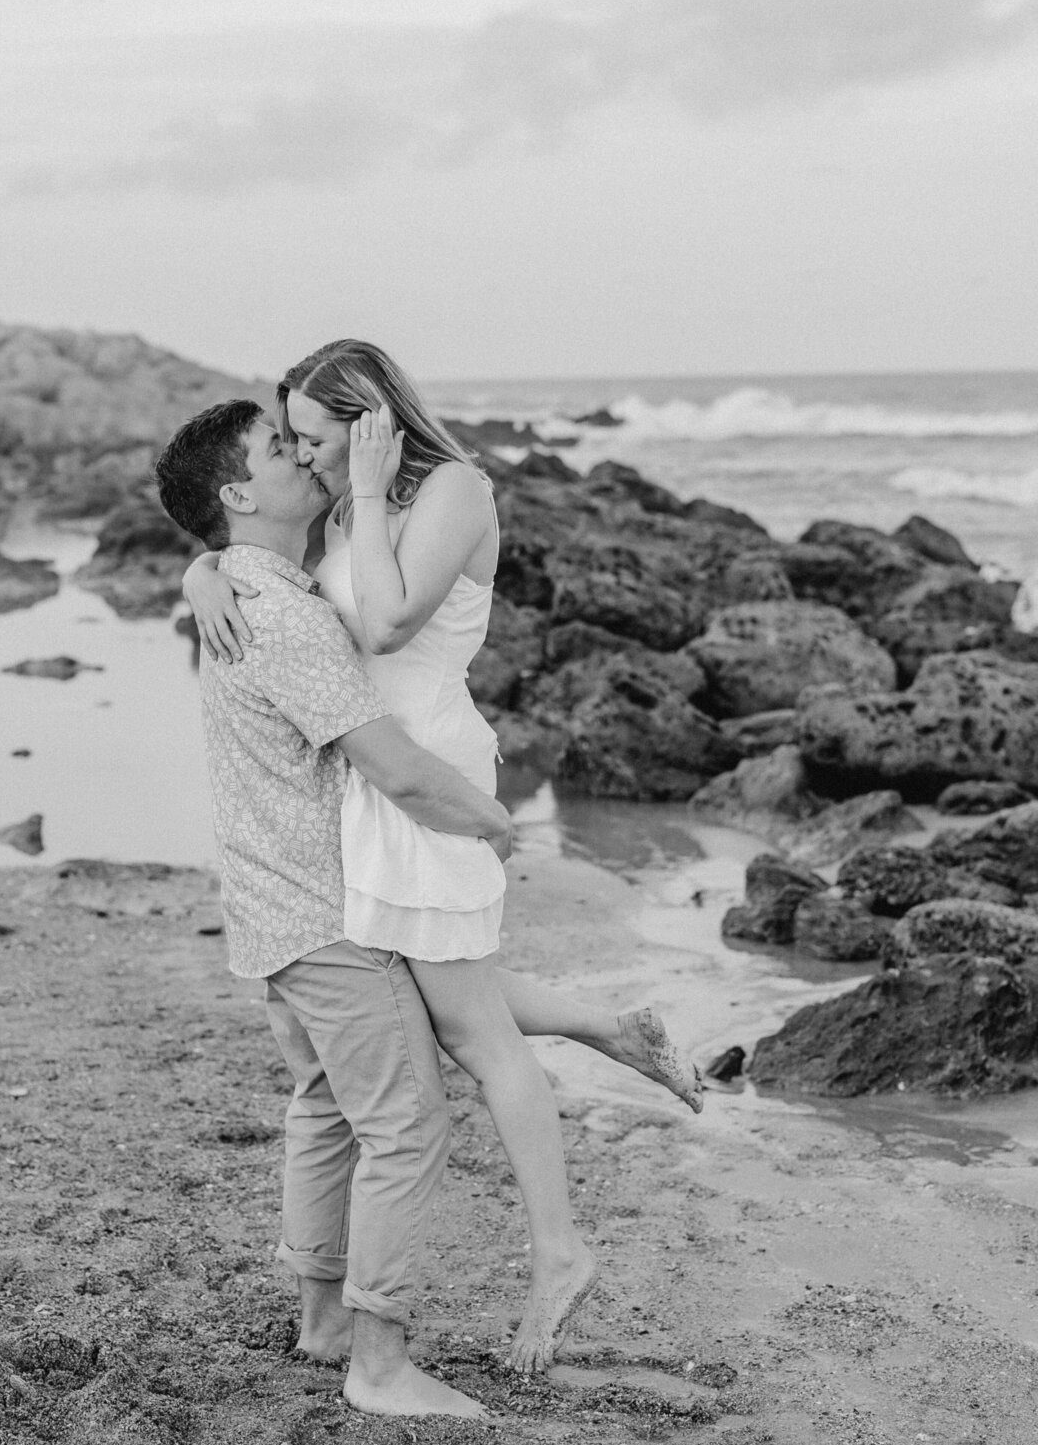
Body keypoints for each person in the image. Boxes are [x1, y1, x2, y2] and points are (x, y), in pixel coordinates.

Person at [184, 341, 704, 1373]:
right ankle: (605, 1027)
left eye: (317, 437)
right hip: (373, 783)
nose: (311, 458)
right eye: (292, 444)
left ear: (371, 418)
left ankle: (559, 1248)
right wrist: (205, 566)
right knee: (424, 994)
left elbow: (382, 618)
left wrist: (367, 494)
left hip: (424, 774)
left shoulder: (455, 489)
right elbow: (278, 569)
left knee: (465, 1026)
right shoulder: (343, 504)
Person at [156, 398, 513, 1418]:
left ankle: (321, 1321)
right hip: (324, 917)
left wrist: (200, 567)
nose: (305, 455)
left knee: (327, 1110)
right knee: (406, 1122)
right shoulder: (285, 613)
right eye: (280, 449)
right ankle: (381, 1362)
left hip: (267, 910)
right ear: (238, 495)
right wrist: (496, 827)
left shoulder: (247, 589)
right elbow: (397, 768)